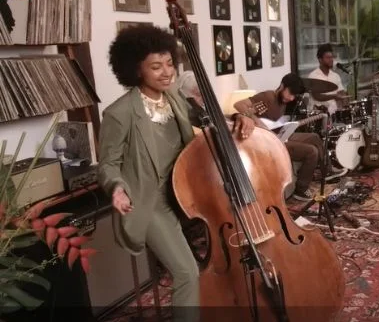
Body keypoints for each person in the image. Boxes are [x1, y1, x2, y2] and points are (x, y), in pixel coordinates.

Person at [97, 25, 256, 322]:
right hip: (152, 202)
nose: (167, 72)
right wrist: (116, 187)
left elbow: (207, 119)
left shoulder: (173, 98)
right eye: (156, 66)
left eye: (169, 63)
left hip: (184, 192)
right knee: (186, 271)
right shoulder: (118, 113)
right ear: (135, 70)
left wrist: (236, 118)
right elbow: (107, 163)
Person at [233, 73, 324, 201]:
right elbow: (238, 105)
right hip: (270, 143)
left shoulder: (284, 100)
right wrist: (256, 121)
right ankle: (301, 190)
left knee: (314, 137)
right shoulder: (268, 96)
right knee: (311, 151)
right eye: (290, 93)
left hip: (279, 135)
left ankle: (328, 172)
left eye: (294, 95)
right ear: (282, 86)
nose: (291, 98)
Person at [308, 43, 348, 113]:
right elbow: (317, 96)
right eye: (328, 57)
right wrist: (334, 96)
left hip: (334, 115)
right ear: (320, 59)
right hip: (318, 116)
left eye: (332, 57)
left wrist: (346, 107)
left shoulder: (335, 76)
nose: (331, 60)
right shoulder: (313, 76)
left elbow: (341, 93)